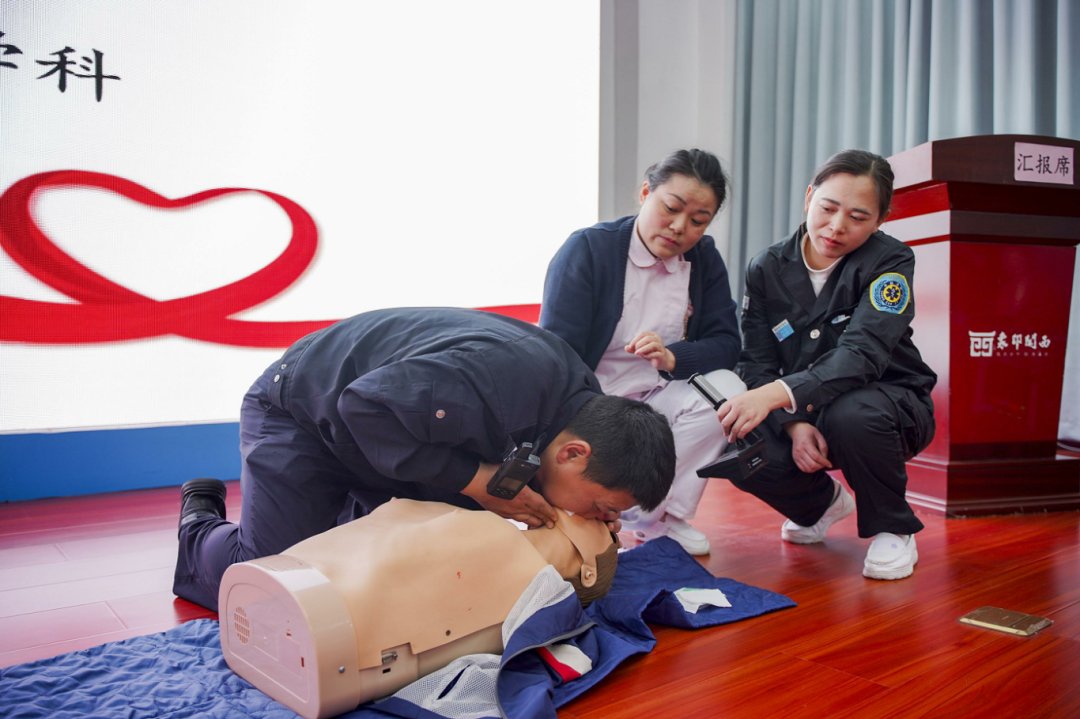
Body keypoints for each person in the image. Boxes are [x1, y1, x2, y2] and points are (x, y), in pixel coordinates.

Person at [174, 307, 676, 610]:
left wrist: (580, 514)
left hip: (393, 433)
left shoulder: (583, 411)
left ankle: (335, 513)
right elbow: (362, 406)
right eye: (602, 508)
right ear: (573, 454)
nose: (600, 519)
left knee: (407, 569)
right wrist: (477, 481)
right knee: (274, 585)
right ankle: (199, 520)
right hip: (303, 409)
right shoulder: (499, 383)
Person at [716, 149, 937, 580]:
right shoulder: (766, 267)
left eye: (858, 216)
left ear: (881, 220)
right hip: (808, 408)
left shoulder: (890, 261)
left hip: (890, 405)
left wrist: (780, 397)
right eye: (828, 208)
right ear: (808, 198)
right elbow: (757, 361)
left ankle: (893, 527)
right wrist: (792, 423)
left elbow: (863, 354)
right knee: (740, 442)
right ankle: (819, 505)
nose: (836, 226)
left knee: (852, 413)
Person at [218, 499, 618, 717]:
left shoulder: (542, 592)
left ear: (587, 572)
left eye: (598, 525)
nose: (586, 515)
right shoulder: (491, 526)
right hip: (301, 591)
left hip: (318, 622)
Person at [540, 149, 744, 555]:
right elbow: (556, 354)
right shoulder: (589, 249)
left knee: (728, 392)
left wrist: (673, 358)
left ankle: (658, 518)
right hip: (593, 404)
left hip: (657, 397)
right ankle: (601, 508)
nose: (679, 227)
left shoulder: (703, 258)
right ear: (645, 192)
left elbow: (727, 345)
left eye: (698, 221)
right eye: (671, 208)